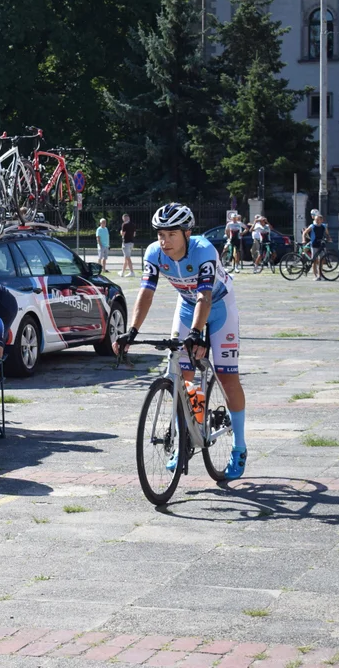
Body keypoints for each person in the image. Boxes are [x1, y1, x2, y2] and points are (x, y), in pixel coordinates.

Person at [113, 203, 249, 480]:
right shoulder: (154, 253)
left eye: (171, 235)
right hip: (187, 306)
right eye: (161, 234)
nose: (165, 241)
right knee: (180, 372)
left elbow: (205, 297)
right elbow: (146, 292)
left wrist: (199, 334)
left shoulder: (204, 251)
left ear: (187, 233)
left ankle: (239, 446)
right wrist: (132, 330)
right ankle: (185, 434)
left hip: (219, 306)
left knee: (227, 375)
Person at [301, 213, 331, 281]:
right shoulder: (312, 226)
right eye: (316, 219)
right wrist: (303, 240)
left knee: (321, 260)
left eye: (318, 220)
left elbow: (327, 234)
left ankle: (320, 275)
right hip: (314, 244)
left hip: (321, 244)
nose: (317, 221)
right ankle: (315, 275)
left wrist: (329, 238)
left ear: (321, 220)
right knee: (314, 260)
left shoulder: (324, 226)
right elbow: (304, 233)